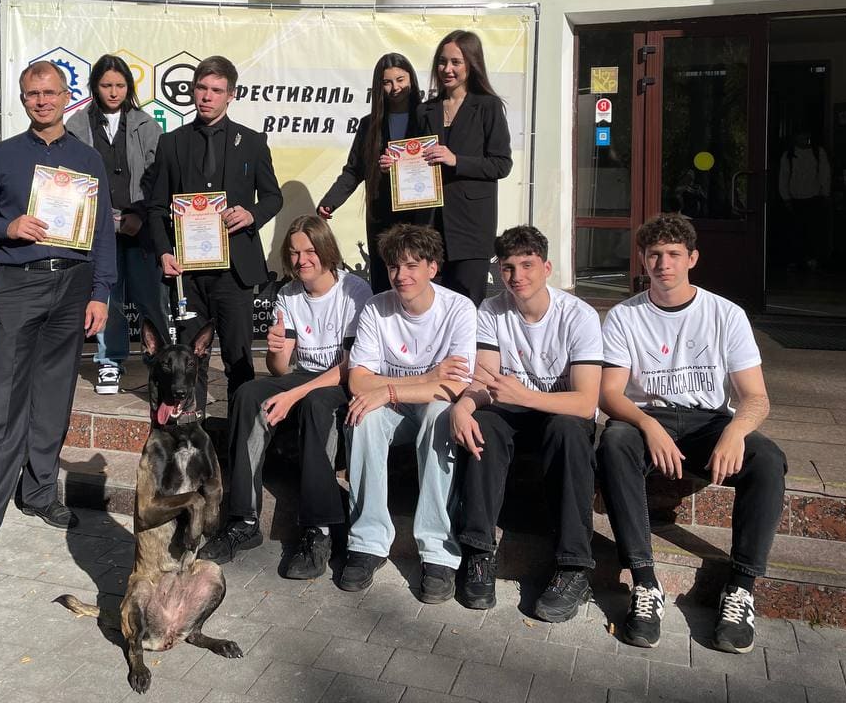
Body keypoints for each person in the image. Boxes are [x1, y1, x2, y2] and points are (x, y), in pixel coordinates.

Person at [0, 60, 116, 573]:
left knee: (53, 397)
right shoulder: (3, 156)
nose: (41, 101)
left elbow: (102, 234)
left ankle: (40, 493)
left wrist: (101, 293)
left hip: (72, 286)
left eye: (49, 92)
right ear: (23, 99)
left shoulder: (88, 159)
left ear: (67, 96)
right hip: (19, 285)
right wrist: (8, 226)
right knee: (4, 405)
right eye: (31, 94)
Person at [597, 213, 786, 654]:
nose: (663, 264)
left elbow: (756, 397)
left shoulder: (726, 314)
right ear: (642, 259)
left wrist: (736, 431)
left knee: (767, 459)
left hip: (709, 422)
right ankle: (645, 582)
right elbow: (609, 394)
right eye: (654, 255)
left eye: (673, 254)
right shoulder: (624, 316)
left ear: (692, 259)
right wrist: (647, 424)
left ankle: (740, 588)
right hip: (649, 418)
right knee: (614, 441)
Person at [199, 215, 372, 577]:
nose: (301, 259)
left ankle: (319, 530)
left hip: (343, 379)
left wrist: (295, 394)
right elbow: (280, 369)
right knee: (248, 393)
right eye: (294, 252)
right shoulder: (288, 294)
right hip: (303, 375)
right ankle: (243, 520)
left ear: (327, 249)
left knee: (315, 403)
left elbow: (351, 367)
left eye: (309, 251)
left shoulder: (354, 290)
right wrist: (276, 350)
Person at [450, 225, 602, 618]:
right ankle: (479, 552)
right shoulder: (491, 311)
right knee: (483, 424)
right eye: (508, 267)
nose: (517, 276)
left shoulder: (579, 316)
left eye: (527, 265)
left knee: (568, 430)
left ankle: (573, 567)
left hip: (560, 414)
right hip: (512, 412)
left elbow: (586, 401)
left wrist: (526, 396)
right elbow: (483, 382)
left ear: (547, 268)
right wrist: (462, 407)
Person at [340, 223, 475, 602]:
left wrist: (389, 389)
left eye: (412, 266)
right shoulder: (376, 308)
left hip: (428, 406)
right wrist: (425, 378)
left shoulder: (458, 309)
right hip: (395, 409)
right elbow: (358, 381)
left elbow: (454, 387)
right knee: (362, 415)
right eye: (394, 267)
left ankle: (437, 550)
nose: (401, 276)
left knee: (440, 414)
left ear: (433, 268)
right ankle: (367, 541)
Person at [147, 55, 283, 399]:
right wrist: (163, 252)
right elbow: (156, 207)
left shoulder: (252, 142)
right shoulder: (171, 143)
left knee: (239, 359)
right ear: (193, 90)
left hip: (234, 273)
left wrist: (251, 215)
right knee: (189, 362)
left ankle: (241, 431)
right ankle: (192, 427)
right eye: (202, 88)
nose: (207, 96)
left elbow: (273, 197)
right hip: (188, 273)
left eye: (217, 90)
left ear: (231, 95)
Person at [66, 54, 171, 394]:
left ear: (129, 87)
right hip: (99, 229)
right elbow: (73, 178)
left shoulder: (146, 125)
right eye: (106, 85)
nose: (113, 92)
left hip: (140, 228)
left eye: (120, 85)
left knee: (151, 298)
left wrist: (139, 215)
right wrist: (104, 219)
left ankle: (163, 362)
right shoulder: (77, 126)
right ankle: (109, 360)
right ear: (94, 87)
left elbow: (158, 177)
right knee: (106, 297)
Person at [411, 30, 513, 306]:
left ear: (471, 64)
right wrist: (396, 166)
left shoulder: (488, 106)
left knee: (467, 305)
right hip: (430, 226)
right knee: (430, 305)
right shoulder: (424, 111)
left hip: (471, 228)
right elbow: (415, 159)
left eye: (456, 62)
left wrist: (457, 160)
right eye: (442, 62)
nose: (447, 69)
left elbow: (501, 164)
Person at [317, 53, 433, 292]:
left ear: (411, 80)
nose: (395, 88)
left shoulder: (428, 117)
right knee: (385, 280)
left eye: (400, 80)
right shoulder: (368, 125)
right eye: (387, 82)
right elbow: (353, 170)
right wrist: (330, 201)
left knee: (419, 279)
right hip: (382, 215)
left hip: (422, 214)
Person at [777, 128, 831, 271]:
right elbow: (783, 178)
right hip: (795, 199)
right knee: (796, 231)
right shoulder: (788, 155)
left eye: (806, 135)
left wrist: (825, 193)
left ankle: (811, 259)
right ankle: (796, 259)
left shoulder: (818, 152)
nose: (804, 138)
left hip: (814, 197)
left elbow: (824, 174)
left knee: (812, 231)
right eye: (800, 135)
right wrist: (786, 198)